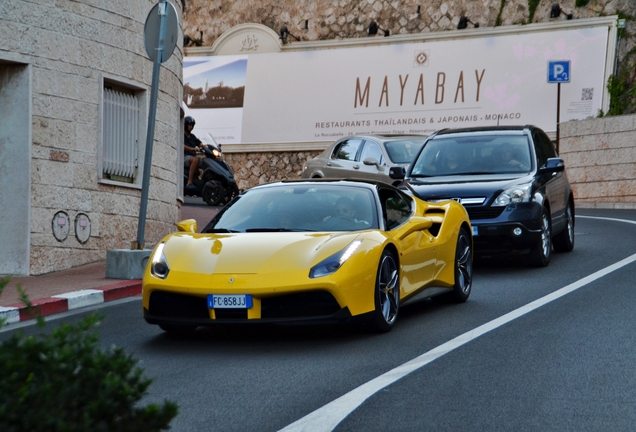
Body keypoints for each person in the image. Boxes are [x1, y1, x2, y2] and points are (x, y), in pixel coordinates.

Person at [184, 116, 203, 189]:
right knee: (196, 160)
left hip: (191, 157)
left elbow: (200, 144)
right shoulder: (181, 135)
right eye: (190, 125)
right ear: (185, 125)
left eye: (192, 125)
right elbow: (181, 146)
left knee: (205, 161)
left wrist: (209, 148)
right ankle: (189, 182)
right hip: (184, 156)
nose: (191, 127)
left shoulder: (192, 136)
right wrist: (192, 149)